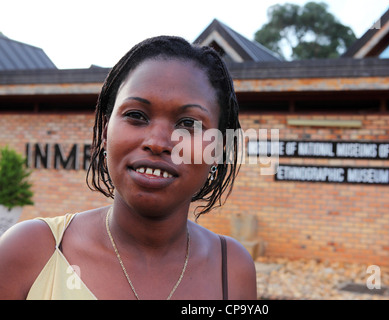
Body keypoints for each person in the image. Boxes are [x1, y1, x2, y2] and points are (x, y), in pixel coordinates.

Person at [0, 36, 256, 300]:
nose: (157, 142)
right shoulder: (29, 251)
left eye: (188, 123)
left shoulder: (232, 270)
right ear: (105, 131)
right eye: (136, 115)